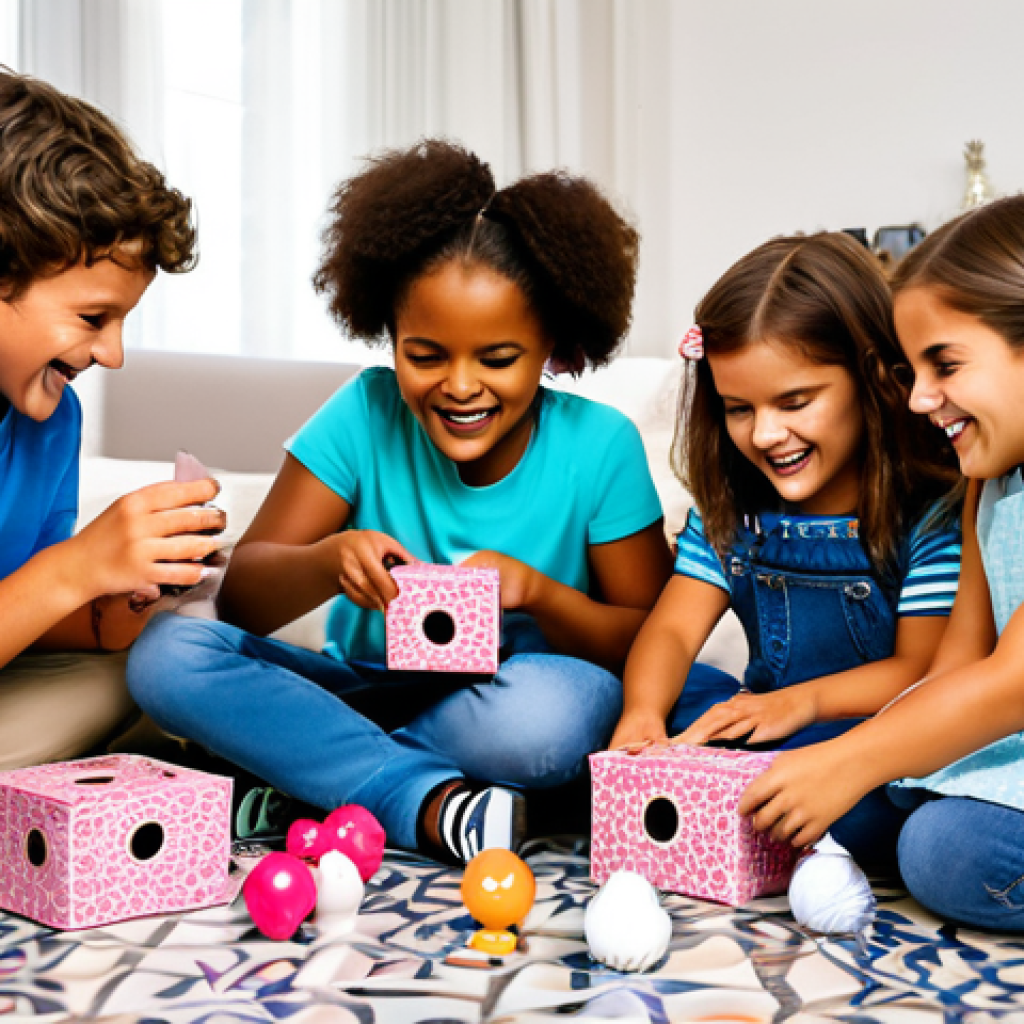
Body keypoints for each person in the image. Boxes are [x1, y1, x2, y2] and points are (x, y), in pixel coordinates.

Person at [127, 140, 673, 864]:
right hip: (363, 690)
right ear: (389, 337)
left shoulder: (600, 445)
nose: (460, 385)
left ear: (552, 346)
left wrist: (540, 594)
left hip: (505, 702)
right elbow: (243, 605)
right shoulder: (362, 413)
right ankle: (416, 798)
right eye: (425, 355)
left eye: (498, 359)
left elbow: (652, 640)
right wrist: (328, 562)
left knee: (553, 714)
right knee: (167, 654)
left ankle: (304, 782)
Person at [608, 232, 961, 870]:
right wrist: (643, 718)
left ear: (874, 379)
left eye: (795, 402)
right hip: (764, 723)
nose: (767, 433)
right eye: (739, 408)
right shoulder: (733, 518)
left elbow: (921, 671)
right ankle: (732, 802)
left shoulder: (928, 517)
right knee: (678, 699)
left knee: (878, 796)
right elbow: (670, 631)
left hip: (866, 737)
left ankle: (740, 807)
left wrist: (798, 703)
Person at [739, 196, 1024, 929]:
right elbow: (955, 672)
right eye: (912, 368)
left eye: (946, 364)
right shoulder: (987, 482)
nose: (922, 397)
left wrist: (854, 760)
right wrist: (835, 762)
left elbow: (1009, 686)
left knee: (946, 851)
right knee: (855, 802)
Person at [0, 69, 224, 770]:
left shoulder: (50, 422)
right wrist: (75, 567)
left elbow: (28, 612)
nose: (114, 354)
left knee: (151, 669)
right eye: (93, 318)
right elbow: (46, 581)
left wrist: (119, 598)